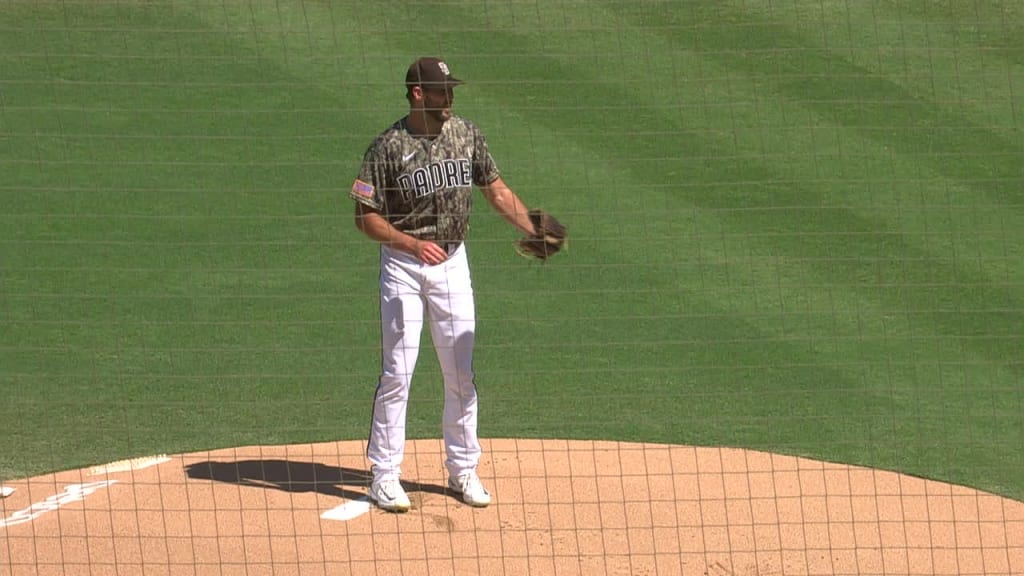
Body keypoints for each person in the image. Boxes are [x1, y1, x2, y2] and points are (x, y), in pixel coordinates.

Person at [350, 57, 542, 512]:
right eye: (441, 91)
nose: (449, 97)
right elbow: (364, 216)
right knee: (398, 372)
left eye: (451, 89)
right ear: (418, 93)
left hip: (453, 265)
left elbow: (495, 190)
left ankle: (463, 470)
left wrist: (531, 227)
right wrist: (409, 244)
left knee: (461, 373)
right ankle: (384, 474)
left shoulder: (466, 134)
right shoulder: (388, 148)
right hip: (402, 266)